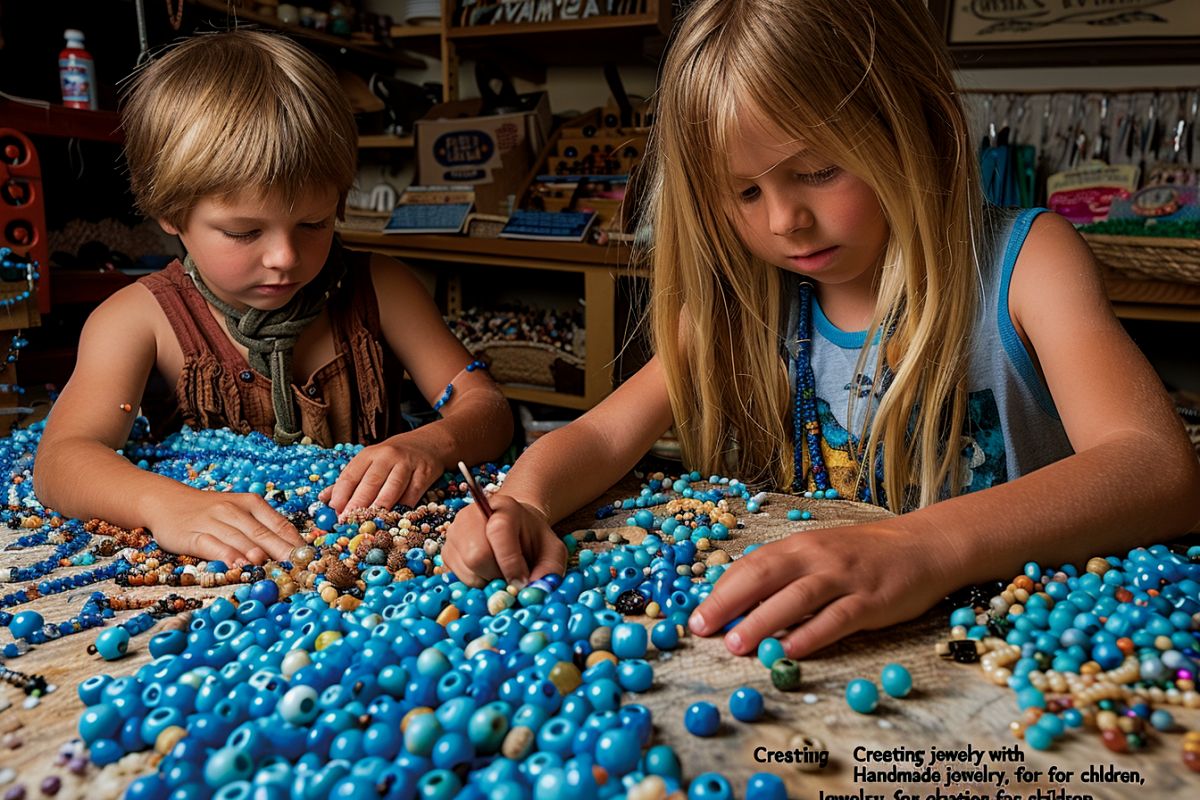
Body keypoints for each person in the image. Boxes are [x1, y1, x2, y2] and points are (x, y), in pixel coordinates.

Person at [443, 0, 1200, 657]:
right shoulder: (745, 303)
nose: (784, 221)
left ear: (916, 124)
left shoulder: (1027, 262)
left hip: (1022, 640)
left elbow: (1157, 467)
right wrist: (526, 501)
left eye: (817, 172)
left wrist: (922, 545)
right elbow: (604, 438)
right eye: (743, 192)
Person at [34, 30, 512, 566]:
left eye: (313, 222)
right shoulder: (137, 319)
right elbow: (62, 460)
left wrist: (433, 444)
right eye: (243, 233)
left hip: (378, 564)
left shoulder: (382, 288)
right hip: (227, 577)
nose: (285, 257)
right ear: (169, 212)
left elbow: (488, 410)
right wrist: (166, 504)